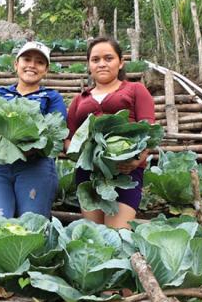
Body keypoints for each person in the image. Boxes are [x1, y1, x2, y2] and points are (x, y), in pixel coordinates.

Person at [66, 37, 156, 229]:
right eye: (95, 60)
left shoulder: (136, 90)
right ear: (89, 65)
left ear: (120, 62)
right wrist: (84, 155)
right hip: (88, 173)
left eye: (109, 58)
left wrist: (136, 160)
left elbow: (149, 131)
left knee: (118, 234)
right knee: (95, 235)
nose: (102, 64)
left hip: (125, 172)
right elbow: (69, 138)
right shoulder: (78, 100)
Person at [0, 41, 67, 219]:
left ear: (46, 69)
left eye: (39, 62)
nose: (32, 65)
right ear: (16, 64)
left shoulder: (52, 97)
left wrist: (27, 148)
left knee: (31, 226)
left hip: (36, 166)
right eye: (26, 59)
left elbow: (55, 132)